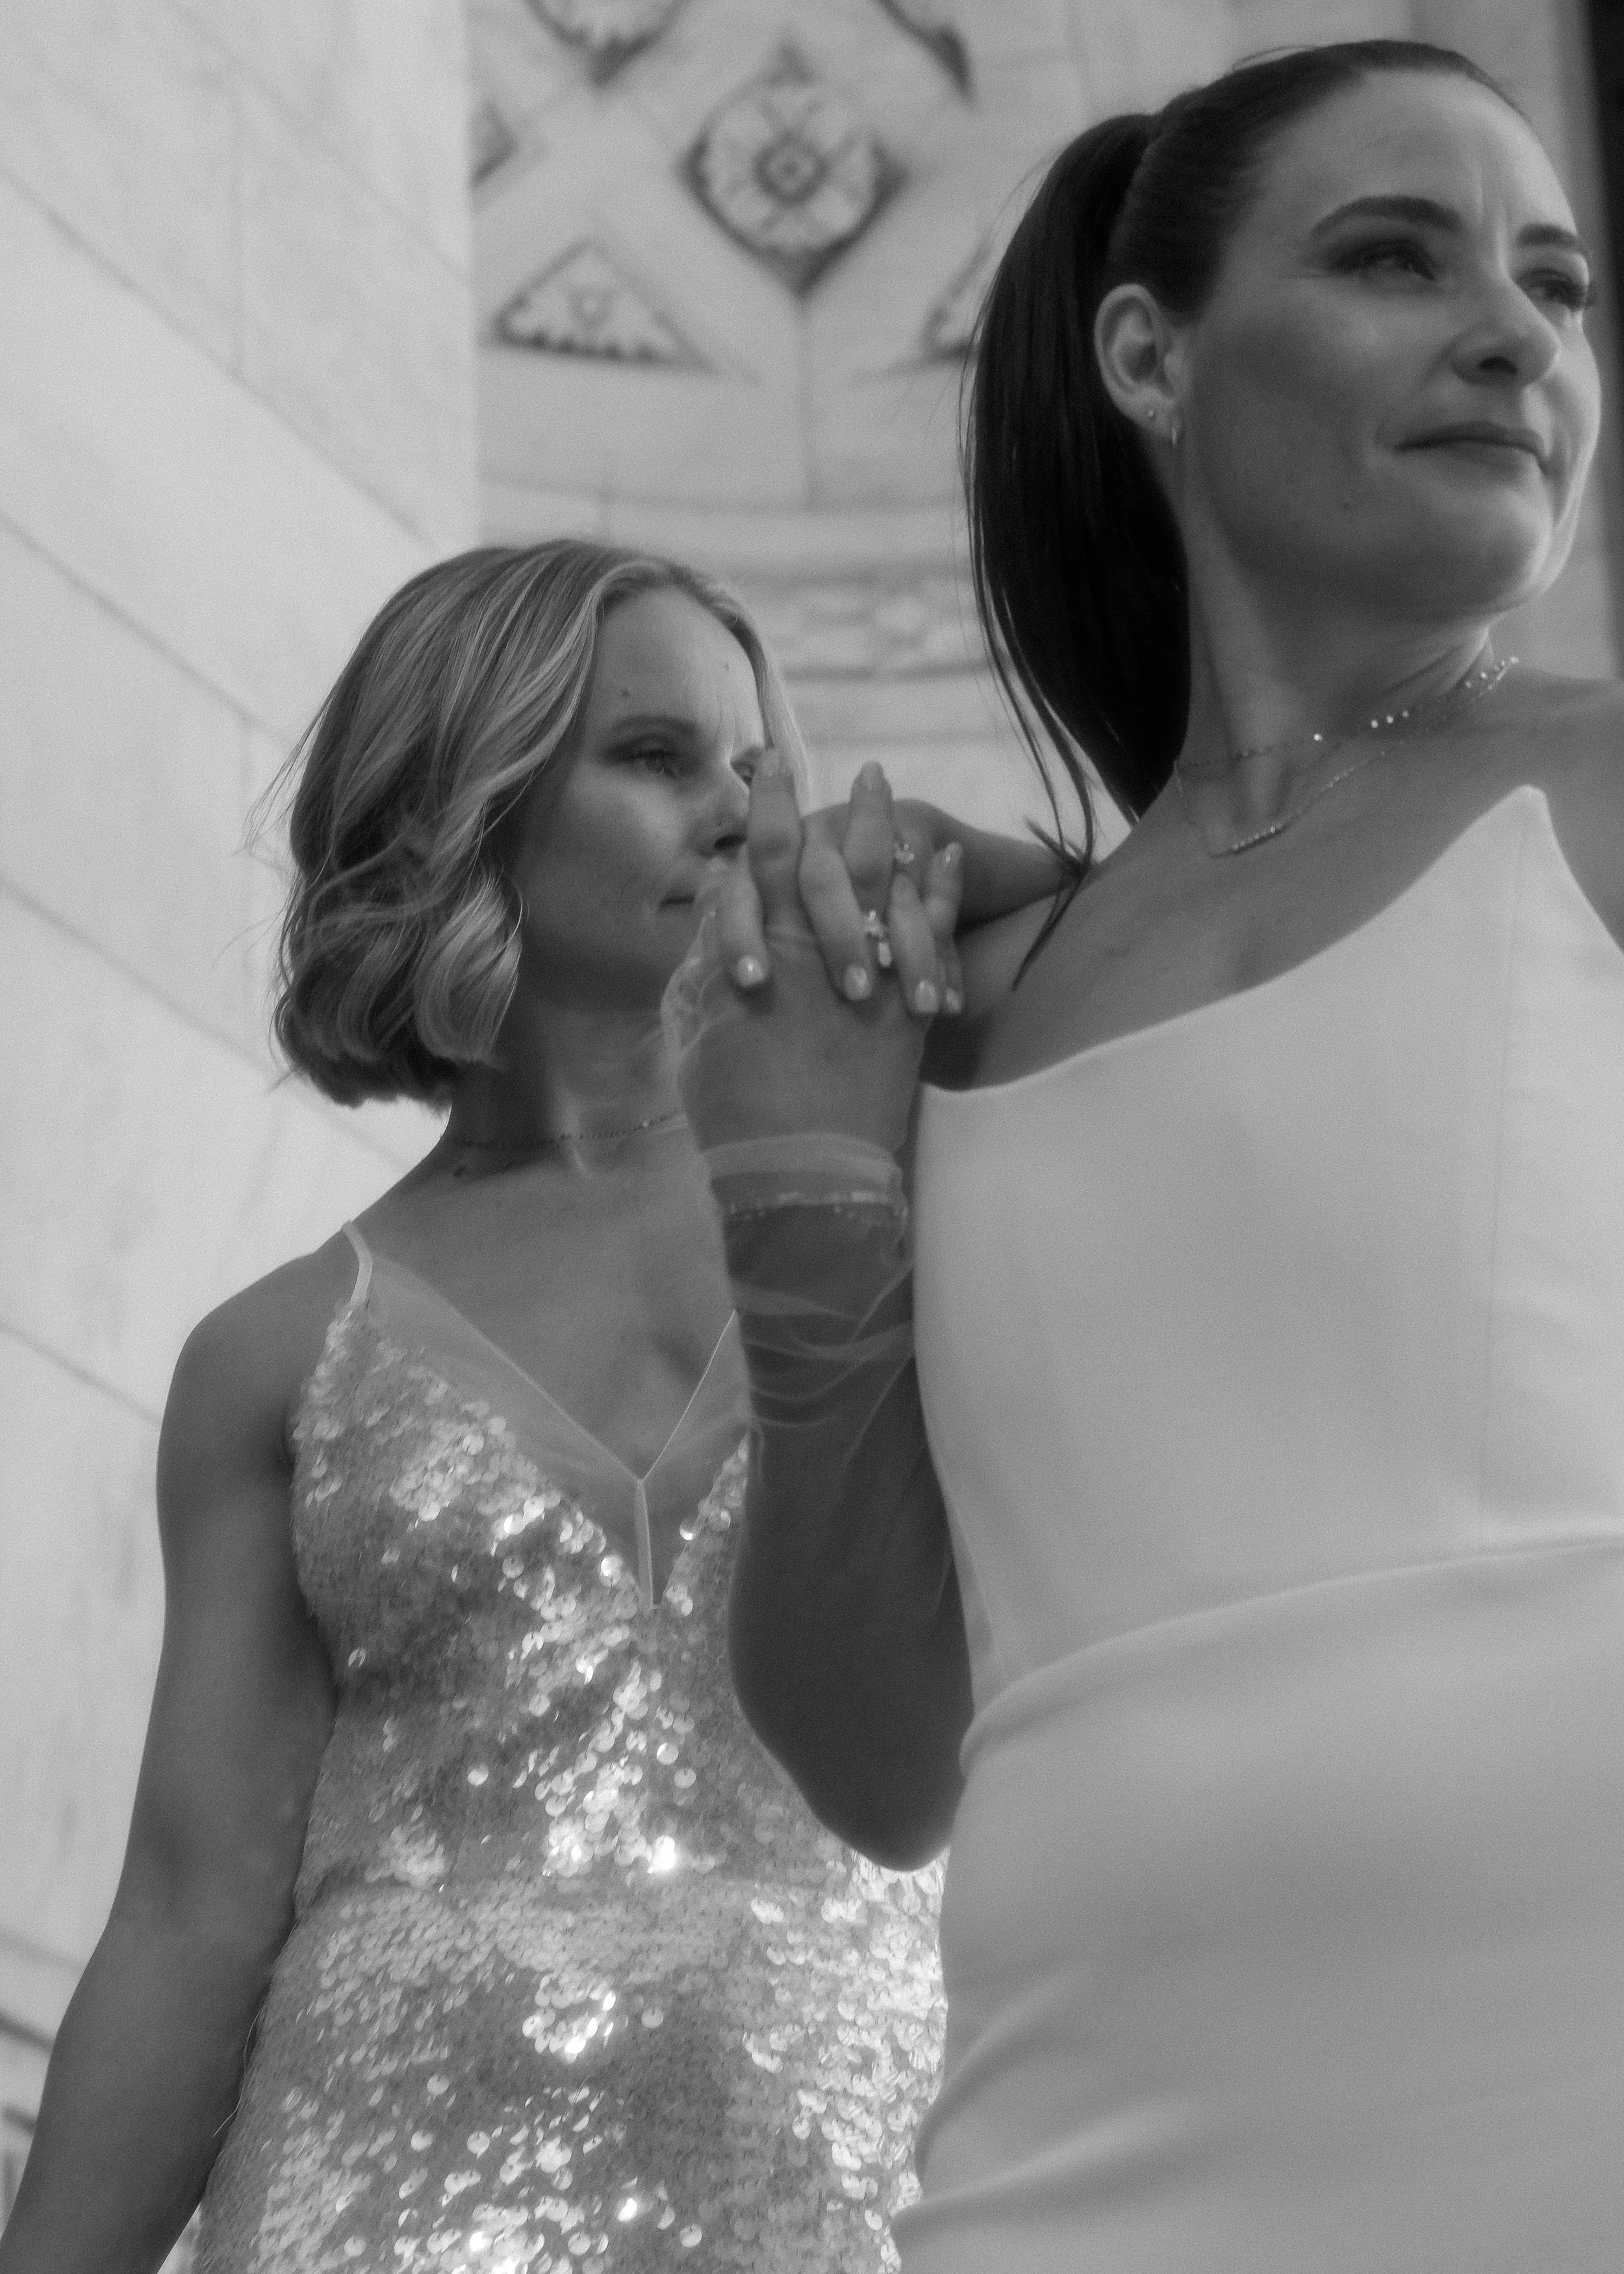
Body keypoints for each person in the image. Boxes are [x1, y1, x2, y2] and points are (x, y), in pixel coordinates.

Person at [674, 38, 1624, 2272]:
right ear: (1144, 352)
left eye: (1559, 287)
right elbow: (879, 1758)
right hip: (1084, 2128)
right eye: (1395, 257)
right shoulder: (960, 992)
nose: (1513, 334)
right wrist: (802, 1206)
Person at [0, 541, 1061, 2274]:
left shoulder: (921, 1197)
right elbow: (194, 1910)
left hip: (874, 2191)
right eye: (652, 757)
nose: (735, 812)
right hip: (375, 2196)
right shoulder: (276, 1355)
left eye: (753, 765)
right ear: (464, 799)